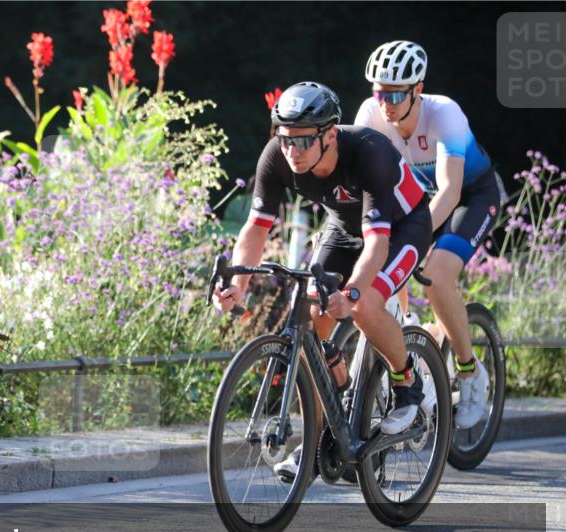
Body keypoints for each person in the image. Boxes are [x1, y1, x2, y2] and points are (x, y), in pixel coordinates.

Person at [213, 81, 434, 482]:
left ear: (330, 134)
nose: (291, 151)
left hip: (403, 228)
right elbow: (255, 229)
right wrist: (240, 283)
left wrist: (351, 294)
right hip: (344, 228)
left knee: (365, 304)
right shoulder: (277, 156)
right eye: (285, 140)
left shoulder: (369, 153)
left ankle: (407, 381)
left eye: (302, 142)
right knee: (310, 316)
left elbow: (377, 245)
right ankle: (316, 442)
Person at [356, 40, 498, 430]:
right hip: (417, 200)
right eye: (379, 91)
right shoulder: (370, 114)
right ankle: (414, 338)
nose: (385, 102)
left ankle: (470, 372)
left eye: (395, 93)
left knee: (436, 274)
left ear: (418, 89)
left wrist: (411, 239)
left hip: (471, 196)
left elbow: (450, 192)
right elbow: (361, 182)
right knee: (385, 262)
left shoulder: (444, 114)